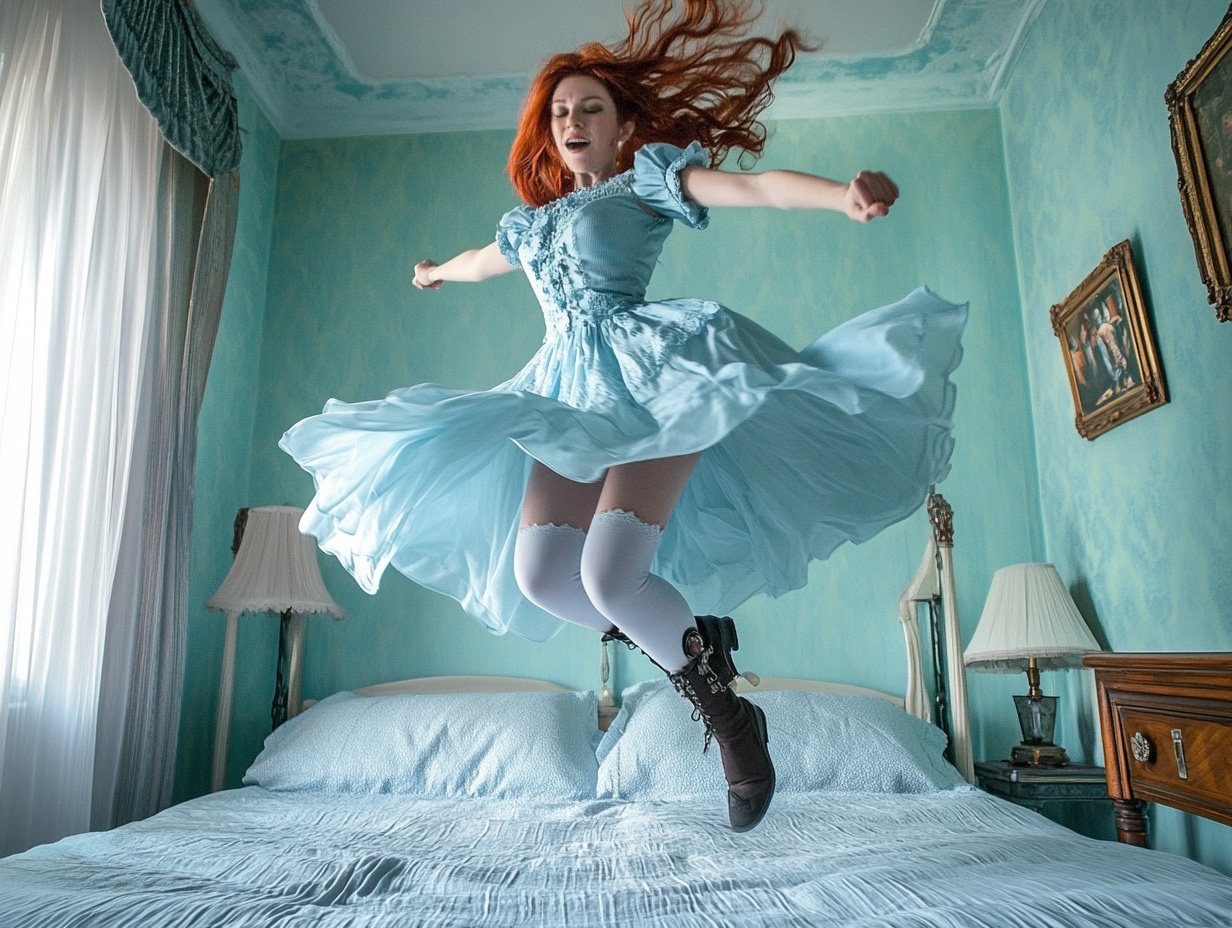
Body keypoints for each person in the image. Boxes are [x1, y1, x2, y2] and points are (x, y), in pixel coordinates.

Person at [280, 0, 967, 834]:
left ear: (620, 126)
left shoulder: (646, 183)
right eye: (560, 111)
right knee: (540, 577)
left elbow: (751, 186)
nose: (572, 120)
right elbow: (476, 261)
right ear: (548, 131)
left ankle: (731, 724)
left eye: (589, 108)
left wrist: (839, 197)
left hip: (653, 379)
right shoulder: (529, 227)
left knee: (609, 577)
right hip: (565, 396)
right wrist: (432, 272)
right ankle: (697, 642)